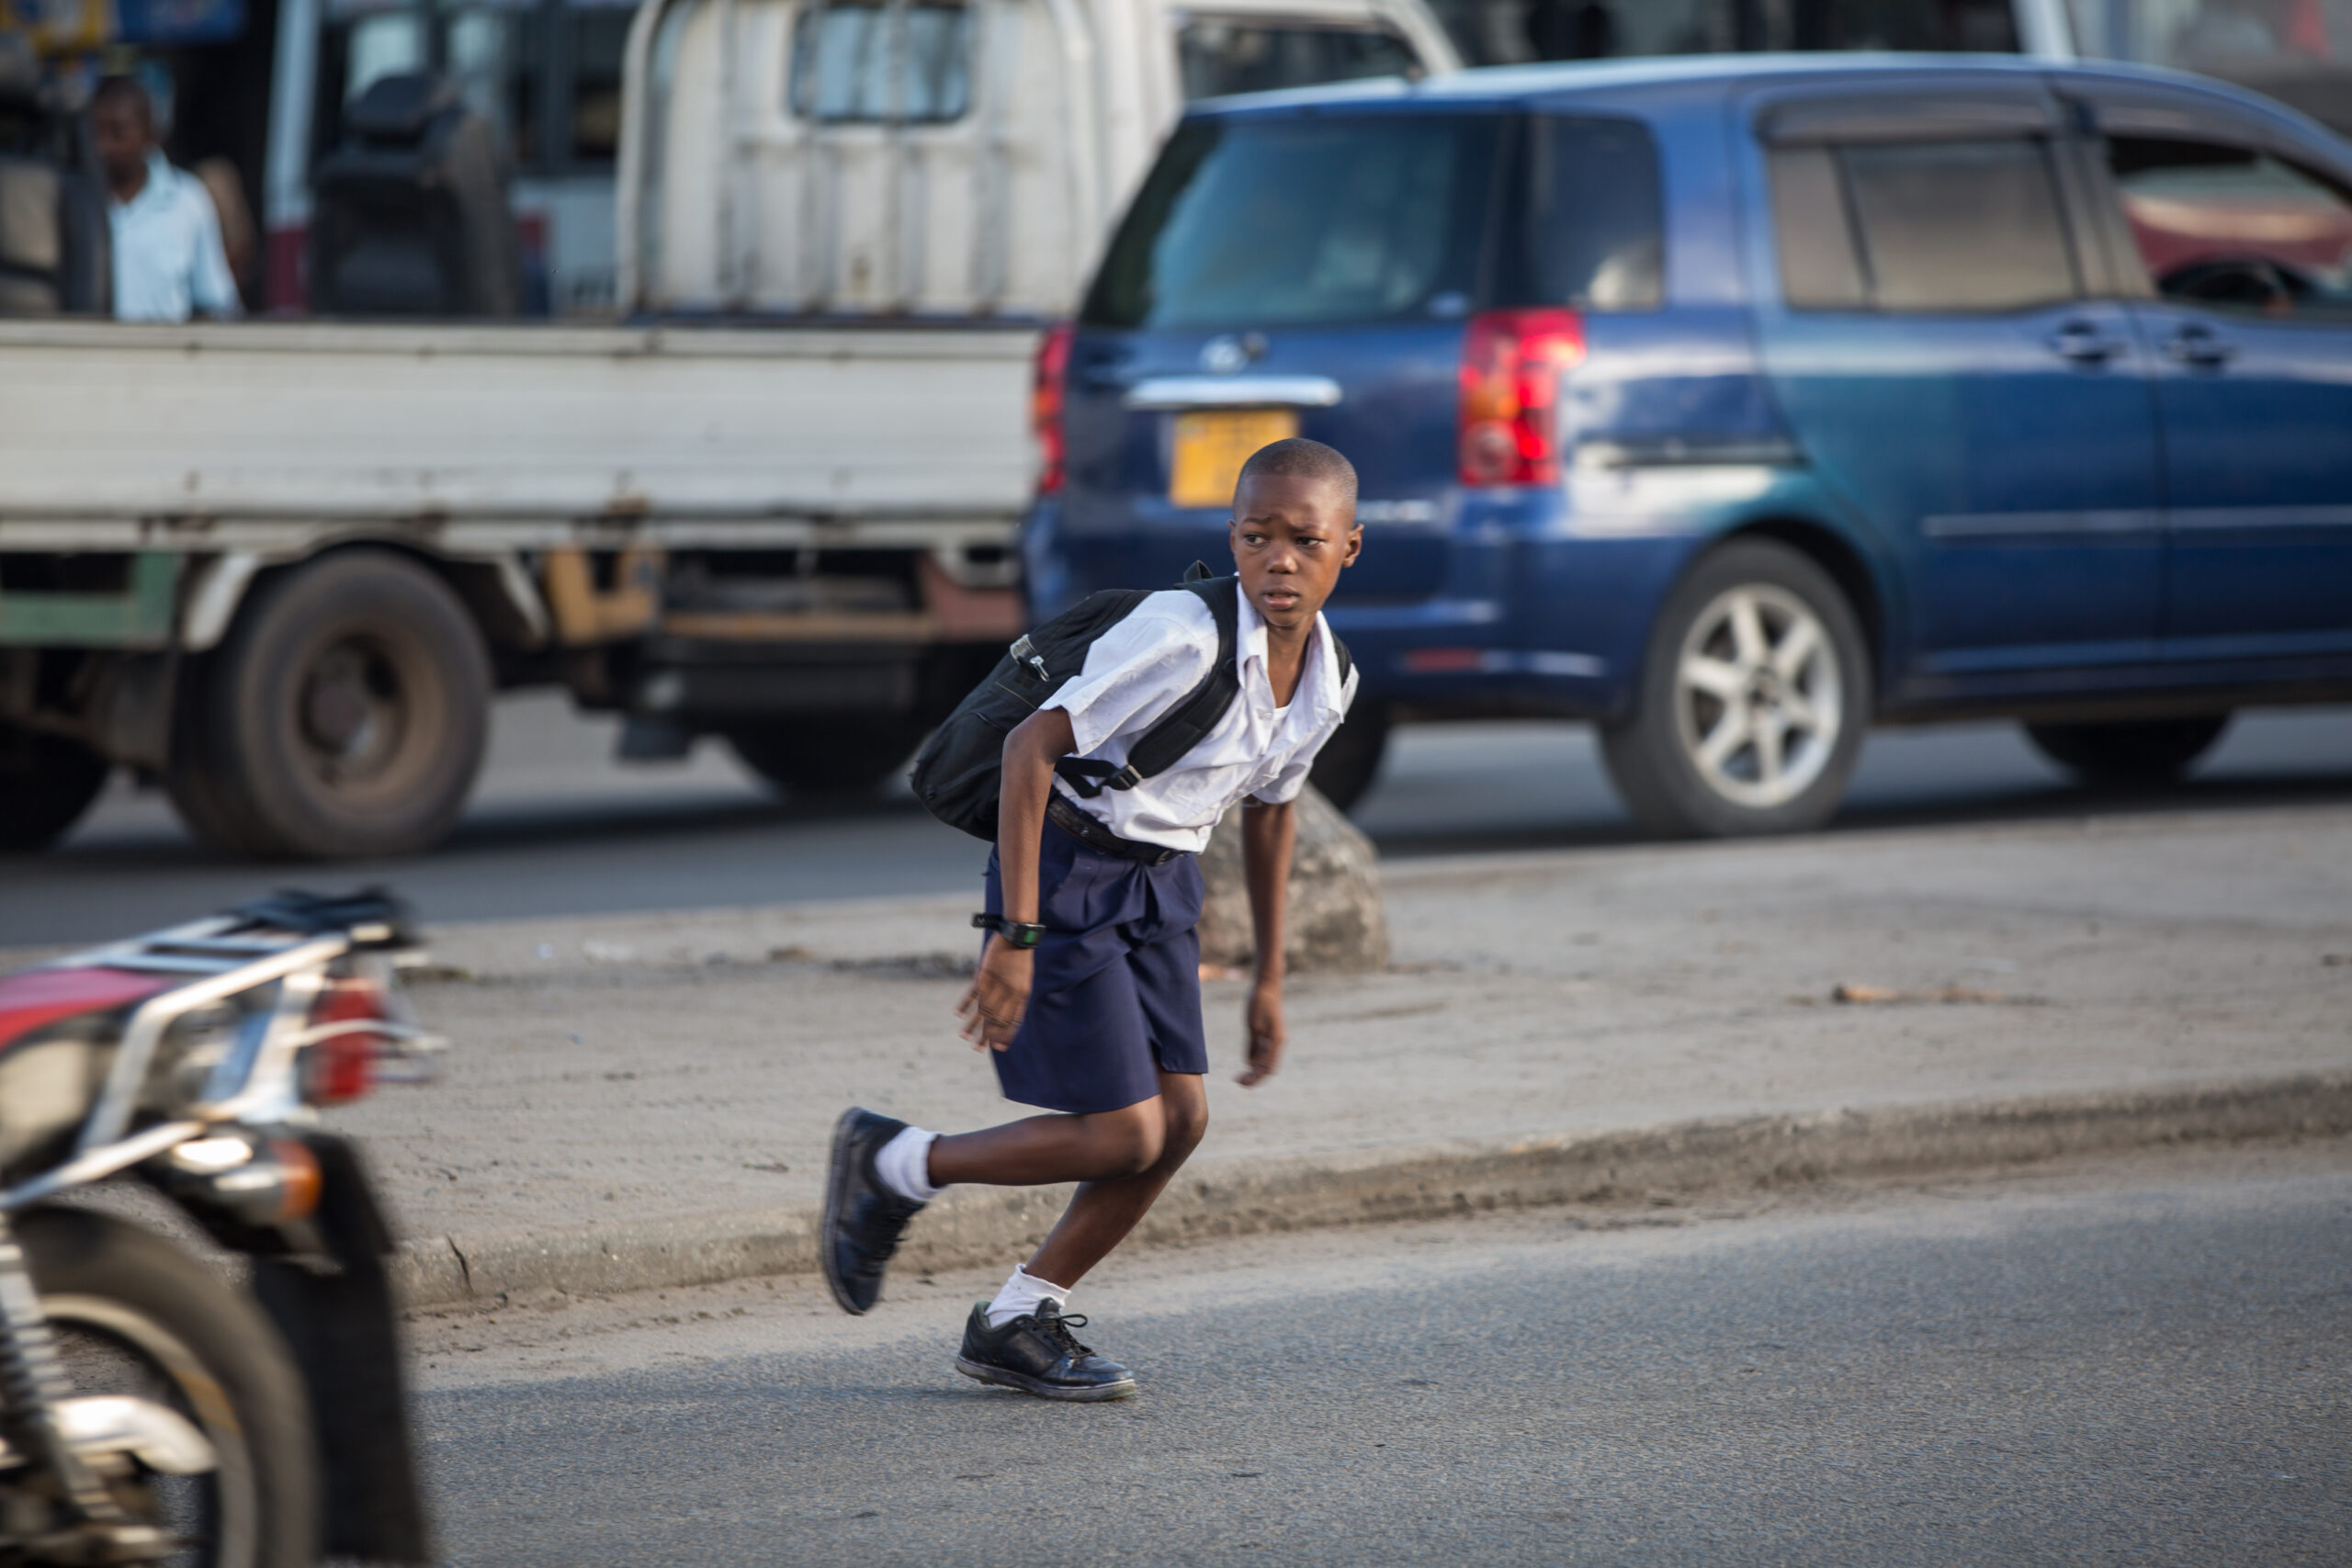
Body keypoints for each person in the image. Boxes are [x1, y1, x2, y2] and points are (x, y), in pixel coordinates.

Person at [822, 437, 1364, 1401]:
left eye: (1306, 541)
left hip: (1164, 885)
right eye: (1257, 537)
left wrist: (1270, 980)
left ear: (1348, 547)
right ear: (1232, 538)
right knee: (1123, 1132)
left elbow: (1273, 810)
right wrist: (1013, 933)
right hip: (1067, 866)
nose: (1279, 560)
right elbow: (1030, 750)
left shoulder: (1328, 677)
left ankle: (1016, 1316)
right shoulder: (1183, 635)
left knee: (1181, 1121)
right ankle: (894, 1161)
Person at [89, 76, 241, 322]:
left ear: (151, 134)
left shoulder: (187, 202)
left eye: (118, 132)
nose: (103, 146)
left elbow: (216, 303)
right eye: (96, 133)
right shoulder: (74, 199)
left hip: (167, 347)